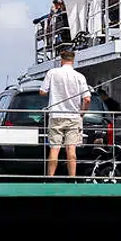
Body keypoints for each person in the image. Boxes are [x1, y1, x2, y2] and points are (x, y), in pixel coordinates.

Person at [39, 46, 91, 178]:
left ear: (61, 60)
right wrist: (82, 113)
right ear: (73, 60)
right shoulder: (79, 76)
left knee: (54, 148)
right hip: (73, 116)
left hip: (56, 115)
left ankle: (50, 178)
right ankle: (72, 179)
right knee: (71, 149)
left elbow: (42, 92)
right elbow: (87, 99)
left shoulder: (52, 73)